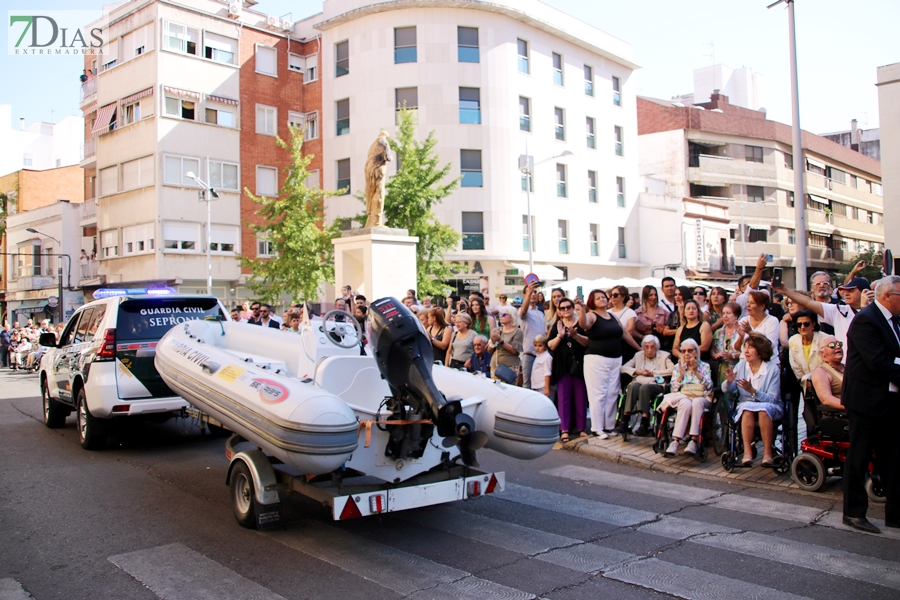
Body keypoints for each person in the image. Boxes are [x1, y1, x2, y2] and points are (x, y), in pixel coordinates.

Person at [841, 275, 900, 533]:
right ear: (887, 296)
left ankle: (896, 513)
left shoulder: (894, 321)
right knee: (859, 457)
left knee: (894, 458)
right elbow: (877, 362)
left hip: (889, 399)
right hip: (865, 401)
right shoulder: (866, 320)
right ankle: (853, 513)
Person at [776, 277, 871, 361]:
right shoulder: (838, 311)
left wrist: (864, 307)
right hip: (846, 366)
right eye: (845, 290)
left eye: (851, 290)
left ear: (865, 292)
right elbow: (809, 303)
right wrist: (786, 291)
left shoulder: (876, 312)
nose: (846, 294)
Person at [723, 332, 781, 467]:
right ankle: (747, 452)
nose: (746, 351)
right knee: (747, 409)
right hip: (746, 404)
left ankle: (767, 453)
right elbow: (728, 390)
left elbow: (772, 399)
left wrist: (753, 391)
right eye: (746, 347)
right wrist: (729, 382)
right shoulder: (741, 366)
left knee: (763, 410)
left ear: (760, 352)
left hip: (768, 406)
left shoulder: (772, 370)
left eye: (751, 347)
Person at [578, 289, 629, 439]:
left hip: (615, 359)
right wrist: (581, 308)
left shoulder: (612, 316)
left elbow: (624, 333)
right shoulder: (591, 315)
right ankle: (597, 427)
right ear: (592, 301)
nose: (602, 299)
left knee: (612, 393)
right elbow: (584, 324)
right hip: (597, 359)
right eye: (598, 297)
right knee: (598, 394)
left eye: (603, 297)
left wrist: (640, 348)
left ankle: (609, 426)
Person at [659, 338, 713, 456]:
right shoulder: (678, 367)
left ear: (696, 352)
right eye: (683, 351)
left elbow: (709, 388)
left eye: (690, 350)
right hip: (684, 397)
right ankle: (675, 441)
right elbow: (673, 389)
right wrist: (680, 376)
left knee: (696, 402)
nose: (686, 353)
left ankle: (694, 440)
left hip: (701, 397)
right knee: (685, 403)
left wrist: (696, 373)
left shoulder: (704, 366)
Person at [547, 297, 588, 442]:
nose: (566, 310)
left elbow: (587, 342)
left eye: (568, 307)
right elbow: (550, 345)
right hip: (562, 366)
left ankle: (581, 427)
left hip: (578, 365)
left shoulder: (580, 324)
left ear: (572, 308)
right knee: (563, 398)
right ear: (559, 311)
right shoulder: (556, 325)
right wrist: (560, 336)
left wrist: (575, 336)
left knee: (580, 397)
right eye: (562, 308)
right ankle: (564, 429)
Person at [619, 335, 674, 436]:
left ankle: (644, 422)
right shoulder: (638, 355)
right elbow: (623, 368)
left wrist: (654, 373)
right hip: (639, 382)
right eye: (646, 347)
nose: (649, 350)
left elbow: (672, 370)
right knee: (633, 386)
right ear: (643, 347)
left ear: (656, 347)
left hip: (656, 385)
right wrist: (638, 371)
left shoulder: (665, 356)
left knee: (644, 388)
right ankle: (625, 420)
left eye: (652, 347)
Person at [738, 290, 780, 363]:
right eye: (748, 302)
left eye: (752, 303)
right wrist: (740, 337)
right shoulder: (744, 320)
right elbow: (737, 348)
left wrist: (750, 332)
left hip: (767, 364)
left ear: (762, 306)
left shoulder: (772, 321)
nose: (748, 305)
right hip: (745, 364)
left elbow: (769, 346)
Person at [518, 283, 546, 390]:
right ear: (525, 295)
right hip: (529, 354)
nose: (533, 294)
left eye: (534, 292)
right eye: (530, 292)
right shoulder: (523, 310)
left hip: (542, 354)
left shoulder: (540, 313)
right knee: (527, 385)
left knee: (541, 385)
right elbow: (523, 311)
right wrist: (529, 292)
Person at [710, 302, 744, 388]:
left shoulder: (742, 332)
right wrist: (715, 355)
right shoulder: (718, 332)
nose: (725, 316)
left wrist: (732, 356)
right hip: (720, 368)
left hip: (737, 368)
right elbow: (712, 350)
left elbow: (745, 352)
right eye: (723, 313)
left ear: (736, 316)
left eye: (728, 313)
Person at [809, 335, 845, 413]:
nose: (838, 347)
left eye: (839, 344)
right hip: (841, 415)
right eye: (832, 345)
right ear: (823, 353)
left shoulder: (848, 367)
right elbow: (826, 399)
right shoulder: (820, 372)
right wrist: (852, 407)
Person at [608, 284, 642, 361]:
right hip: (609, 348)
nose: (613, 297)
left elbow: (629, 331)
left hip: (625, 347)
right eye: (611, 295)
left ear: (623, 297)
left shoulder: (630, 312)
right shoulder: (607, 312)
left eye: (616, 295)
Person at [787, 310, 823, 382]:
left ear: (813, 324)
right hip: (805, 383)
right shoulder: (793, 340)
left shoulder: (824, 339)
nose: (802, 327)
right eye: (799, 324)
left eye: (806, 324)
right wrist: (805, 381)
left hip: (824, 380)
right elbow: (795, 366)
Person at [489, 306, 523, 377]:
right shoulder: (496, 330)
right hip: (495, 366)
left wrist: (500, 341)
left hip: (510, 367)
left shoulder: (518, 332)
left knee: (510, 388)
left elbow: (514, 351)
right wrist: (492, 342)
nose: (501, 316)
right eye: (500, 314)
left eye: (504, 314)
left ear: (512, 317)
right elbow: (489, 351)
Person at [661, 285, 691, 353]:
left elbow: (687, 330)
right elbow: (665, 332)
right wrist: (679, 330)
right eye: (675, 295)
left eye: (680, 295)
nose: (677, 297)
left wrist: (681, 313)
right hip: (672, 346)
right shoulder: (673, 314)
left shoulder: (691, 313)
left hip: (686, 347)